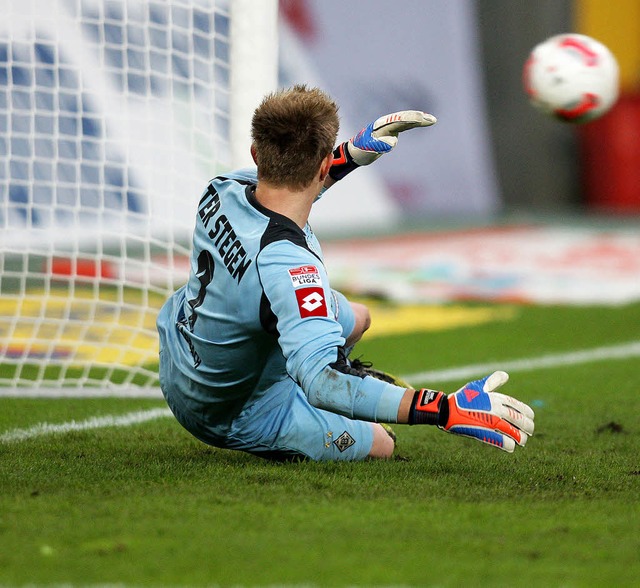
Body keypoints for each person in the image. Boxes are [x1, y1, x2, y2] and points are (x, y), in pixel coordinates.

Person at [156, 85, 535, 461]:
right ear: (323, 164)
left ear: (256, 154)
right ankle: (301, 398)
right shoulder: (289, 265)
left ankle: (322, 370)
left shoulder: (224, 188)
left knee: (358, 317)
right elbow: (322, 384)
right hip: (225, 411)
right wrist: (445, 409)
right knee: (381, 442)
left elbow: (290, 185)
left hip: (179, 354)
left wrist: (354, 153)